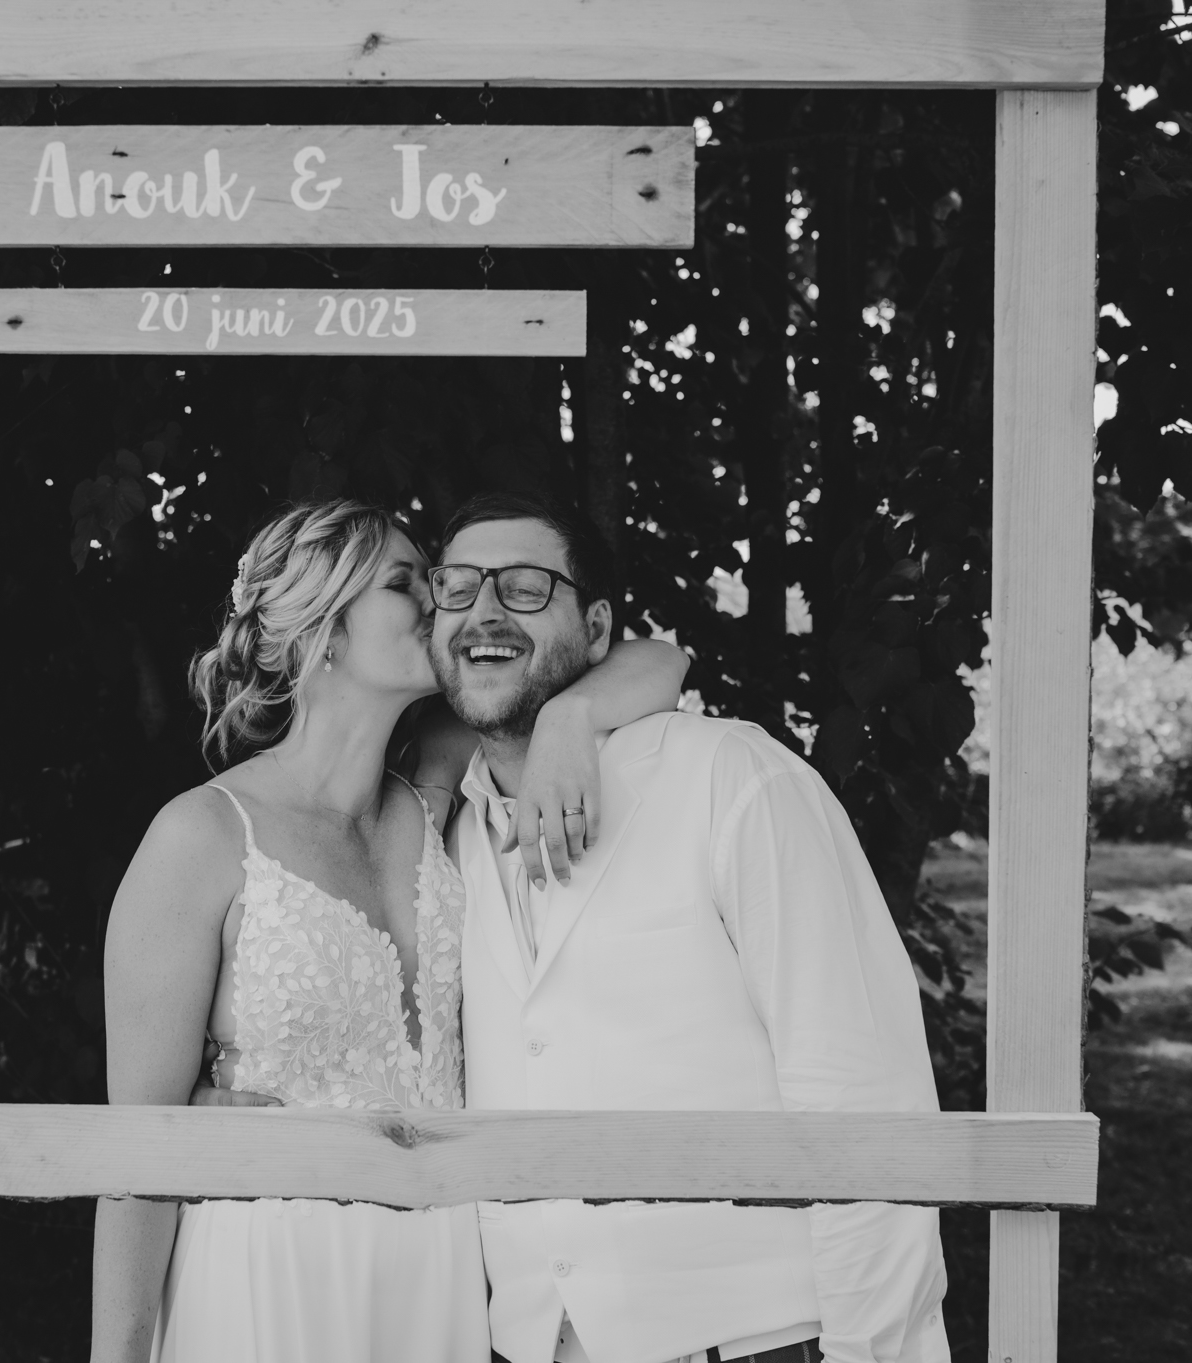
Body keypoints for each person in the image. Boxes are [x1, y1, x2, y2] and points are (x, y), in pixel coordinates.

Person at [94, 499, 688, 1363]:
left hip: (440, 1281)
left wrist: (572, 720)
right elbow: (132, 1163)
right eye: (406, 583)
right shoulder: (201, 837)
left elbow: (661, 660)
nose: (439, 603)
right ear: (323, 628)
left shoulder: (439, 786)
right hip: (272, 1282)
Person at [430, 494, 951, 1363]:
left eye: (524, 587)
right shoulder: (449, 832)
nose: (484, 610)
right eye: (457, 586)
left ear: (598, 628)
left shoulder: (734, 781)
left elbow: (863, 1096)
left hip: (751, 1340)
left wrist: (869, 1351)